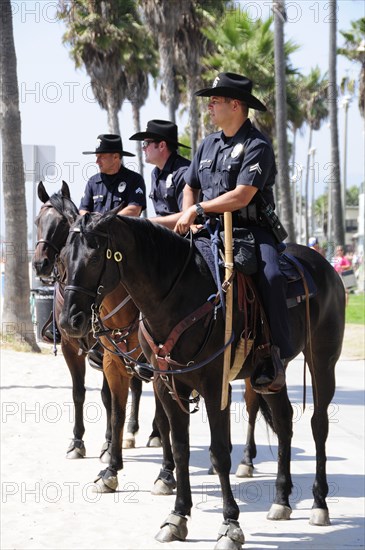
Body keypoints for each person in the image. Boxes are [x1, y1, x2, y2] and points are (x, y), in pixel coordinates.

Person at [175, 72, 293, 391]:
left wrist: (199, 208)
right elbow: (191, 184)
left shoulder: (258, 145)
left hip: (251, 231)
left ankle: (273, 354)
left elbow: (242, 195)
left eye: (215, 101)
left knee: (271, 276)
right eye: (210, 101)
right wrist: (192, 213)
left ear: (236, 105)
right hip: (209, 230)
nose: (209, 107)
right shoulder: (207, 144)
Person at [129, 120, 191, 228]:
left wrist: (149, 223)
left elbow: (187, 216)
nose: (143, 148)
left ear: (162, 145)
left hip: (184, 239)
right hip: (162, 237)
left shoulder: (183, 172)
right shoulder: (155, 173)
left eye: (146, 143)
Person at [80, 133, 146, 216]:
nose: (97, 161)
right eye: (97, 157)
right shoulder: (92, 182)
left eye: (101, 157)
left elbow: (134, 210)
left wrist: (107, 222)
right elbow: (83, 210)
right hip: (94, 228)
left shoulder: (134, 179)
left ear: (115, 157)